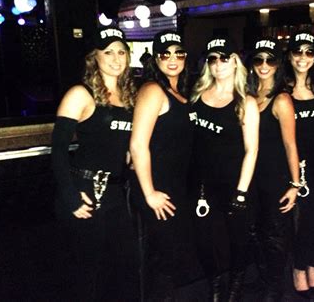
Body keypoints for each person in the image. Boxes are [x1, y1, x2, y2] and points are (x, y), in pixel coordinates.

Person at [51, 26, 138, 301]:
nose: (116, 58)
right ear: (94, 57)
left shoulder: (131, 98)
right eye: (108, 51)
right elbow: (58, 151)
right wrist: (70, 197)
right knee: (87, 270)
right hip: (84, 190)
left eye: (121, 51)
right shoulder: (80, 94)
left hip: (116, 192)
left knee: (122, 266)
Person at [189, 35, 260, 301]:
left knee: (237, 240)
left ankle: (235, 285)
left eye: (224, 58)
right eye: (213, 59)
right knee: (205, 240)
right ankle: (216, 285)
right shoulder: (196, 95)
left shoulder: (245, 102)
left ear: (235, 62)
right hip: (201, 185)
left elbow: (252, 150)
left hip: (234, 184)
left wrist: (241, 193)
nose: (218, 64)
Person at [129, 30, 194, 300]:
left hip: (175, 185)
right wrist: (149, 193)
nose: (172, 59)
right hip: (156, 188)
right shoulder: (153, 90)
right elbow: (137, 144)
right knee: (161, 258)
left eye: (178, 53)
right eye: (165, 54)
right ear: (155, 59)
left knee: (171, 256)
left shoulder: (181, 92)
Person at [246, 37, 300, 301]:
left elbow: (291, 145)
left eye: (270, 59)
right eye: (259, 59)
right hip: (251, 177)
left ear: (278, 64)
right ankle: (265, 278)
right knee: (255, 231)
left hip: (275, 177)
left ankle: (274, 287)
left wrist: (295, 184)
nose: (264, 65)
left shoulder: (281, 100)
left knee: (275, 235)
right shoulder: (248, 96)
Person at [285, 30, 314, 298]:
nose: (303, 57)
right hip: (298, 165)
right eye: (297, 51)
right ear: (290, 55)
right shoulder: (282, 88)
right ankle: (299, 266)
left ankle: (312, 262)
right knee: (308, 218)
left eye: (309, 52)